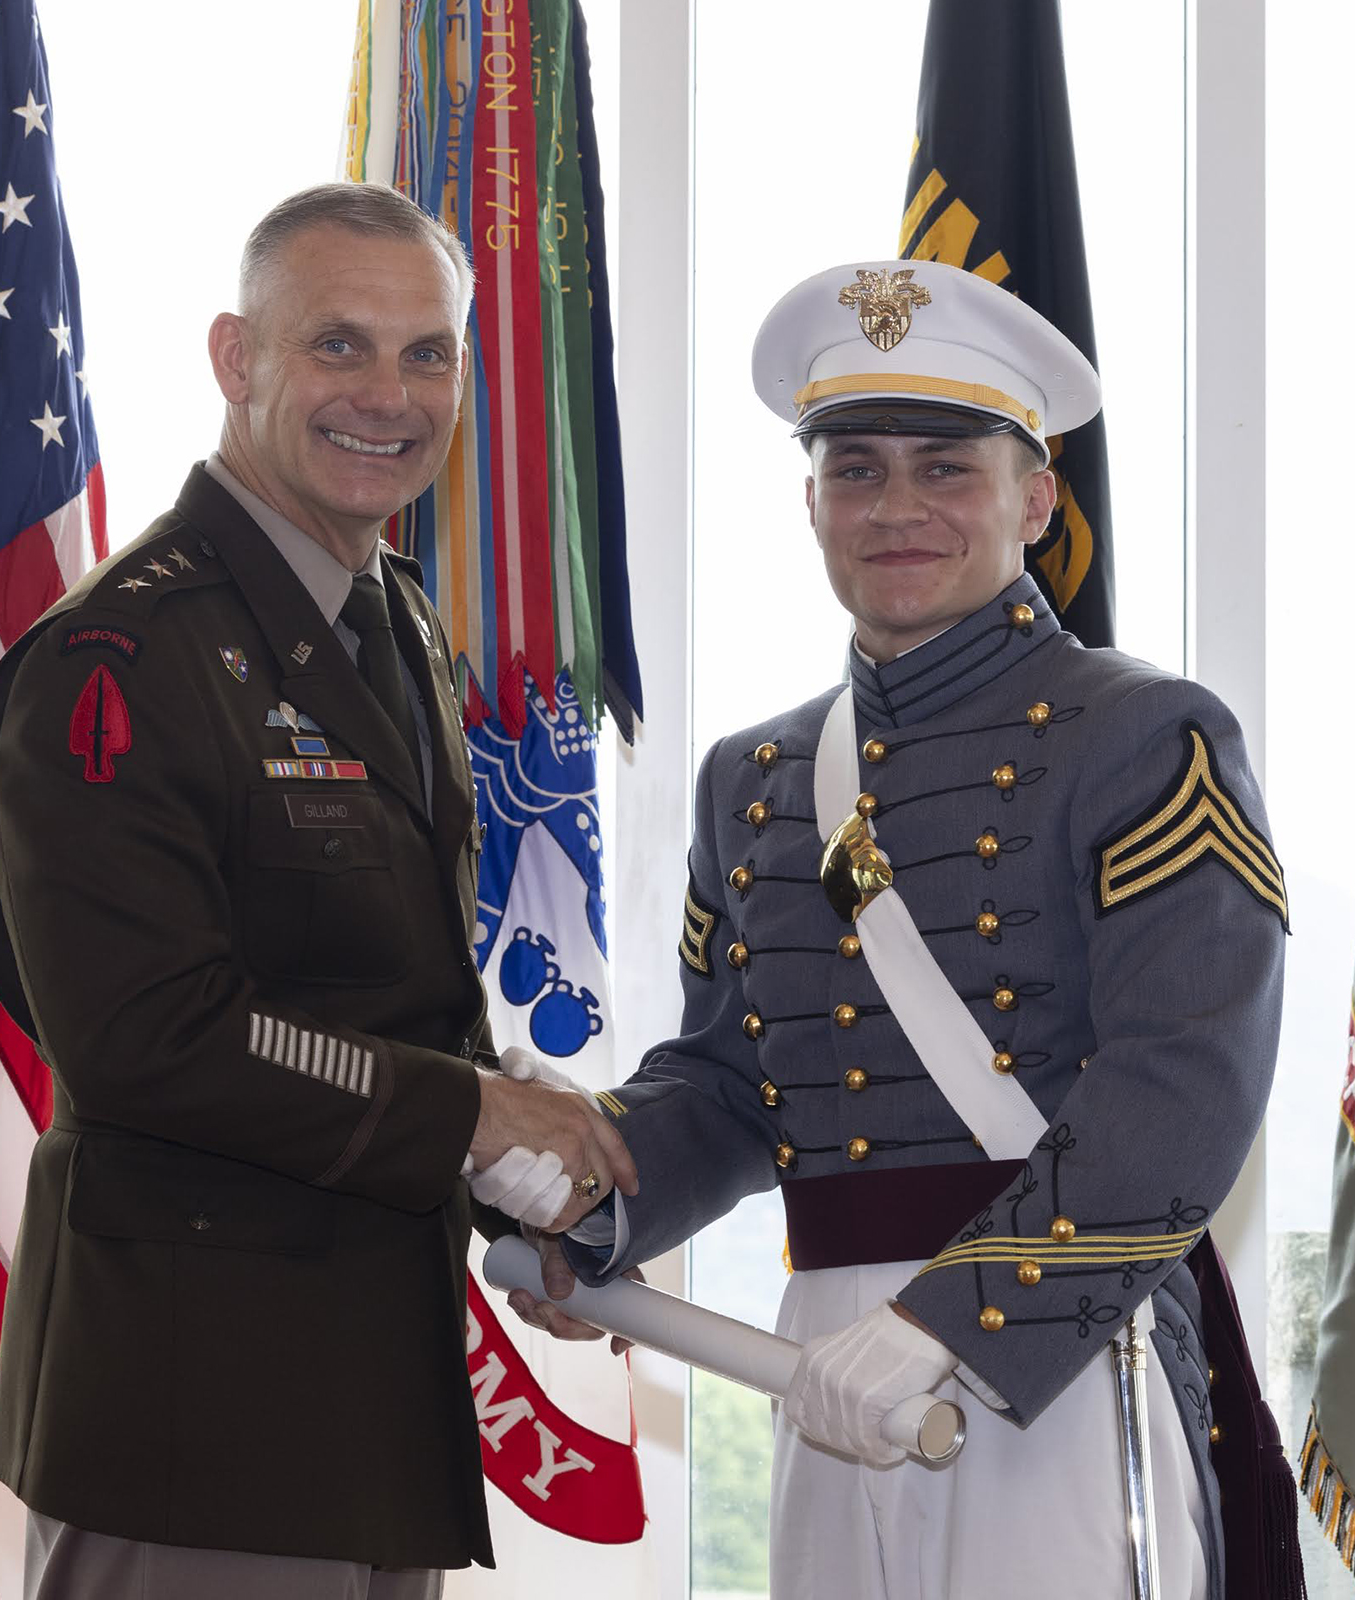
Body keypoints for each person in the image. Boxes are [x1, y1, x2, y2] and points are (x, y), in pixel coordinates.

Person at [508, 261, 1290, 1598]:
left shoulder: (1147, 737)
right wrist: (588, 1195)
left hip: (1054, 1347)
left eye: (947, 467)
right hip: (820, 1357)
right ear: (810, 501)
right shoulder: (751, 775)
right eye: (856, 469)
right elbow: (730, 1088)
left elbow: (1182, 1093)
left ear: (1034, 499)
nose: (897, 508)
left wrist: (957, 1318)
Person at [0, 182, 632, 1600]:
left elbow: (394, 1003)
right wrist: (477, 1116)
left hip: (370, 1402)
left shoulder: (396, 627)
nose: (391, 395)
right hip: (198, 1415)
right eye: (340, 346)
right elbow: (148, 1040)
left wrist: (526, 1191)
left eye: (428, 353)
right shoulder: (124, 660)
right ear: (236, 359)